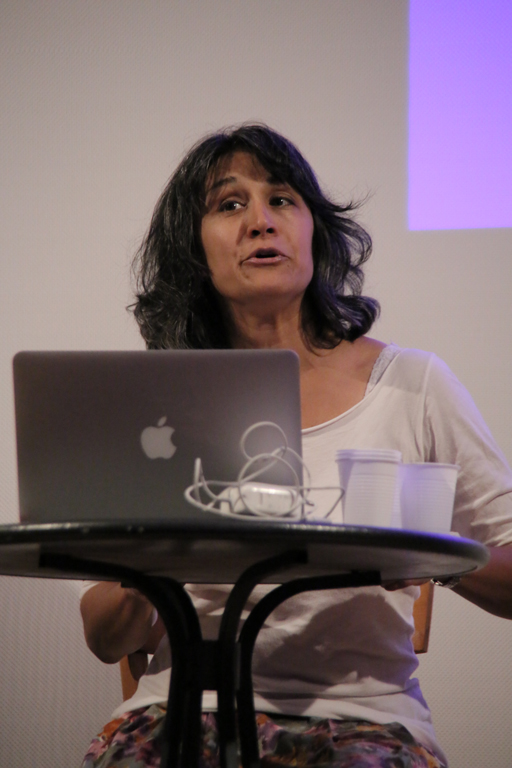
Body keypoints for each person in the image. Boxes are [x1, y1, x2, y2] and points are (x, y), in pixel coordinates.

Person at [79, 124, 512, 768]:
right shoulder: (159, 408)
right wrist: (153, 562)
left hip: (361, 719)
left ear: (315, 232)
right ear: (193, 247)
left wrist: (432, 552)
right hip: (182, 710)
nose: (261, 220)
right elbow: (103, 636)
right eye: (229, 204)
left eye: (281, 199)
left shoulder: (411, 384)